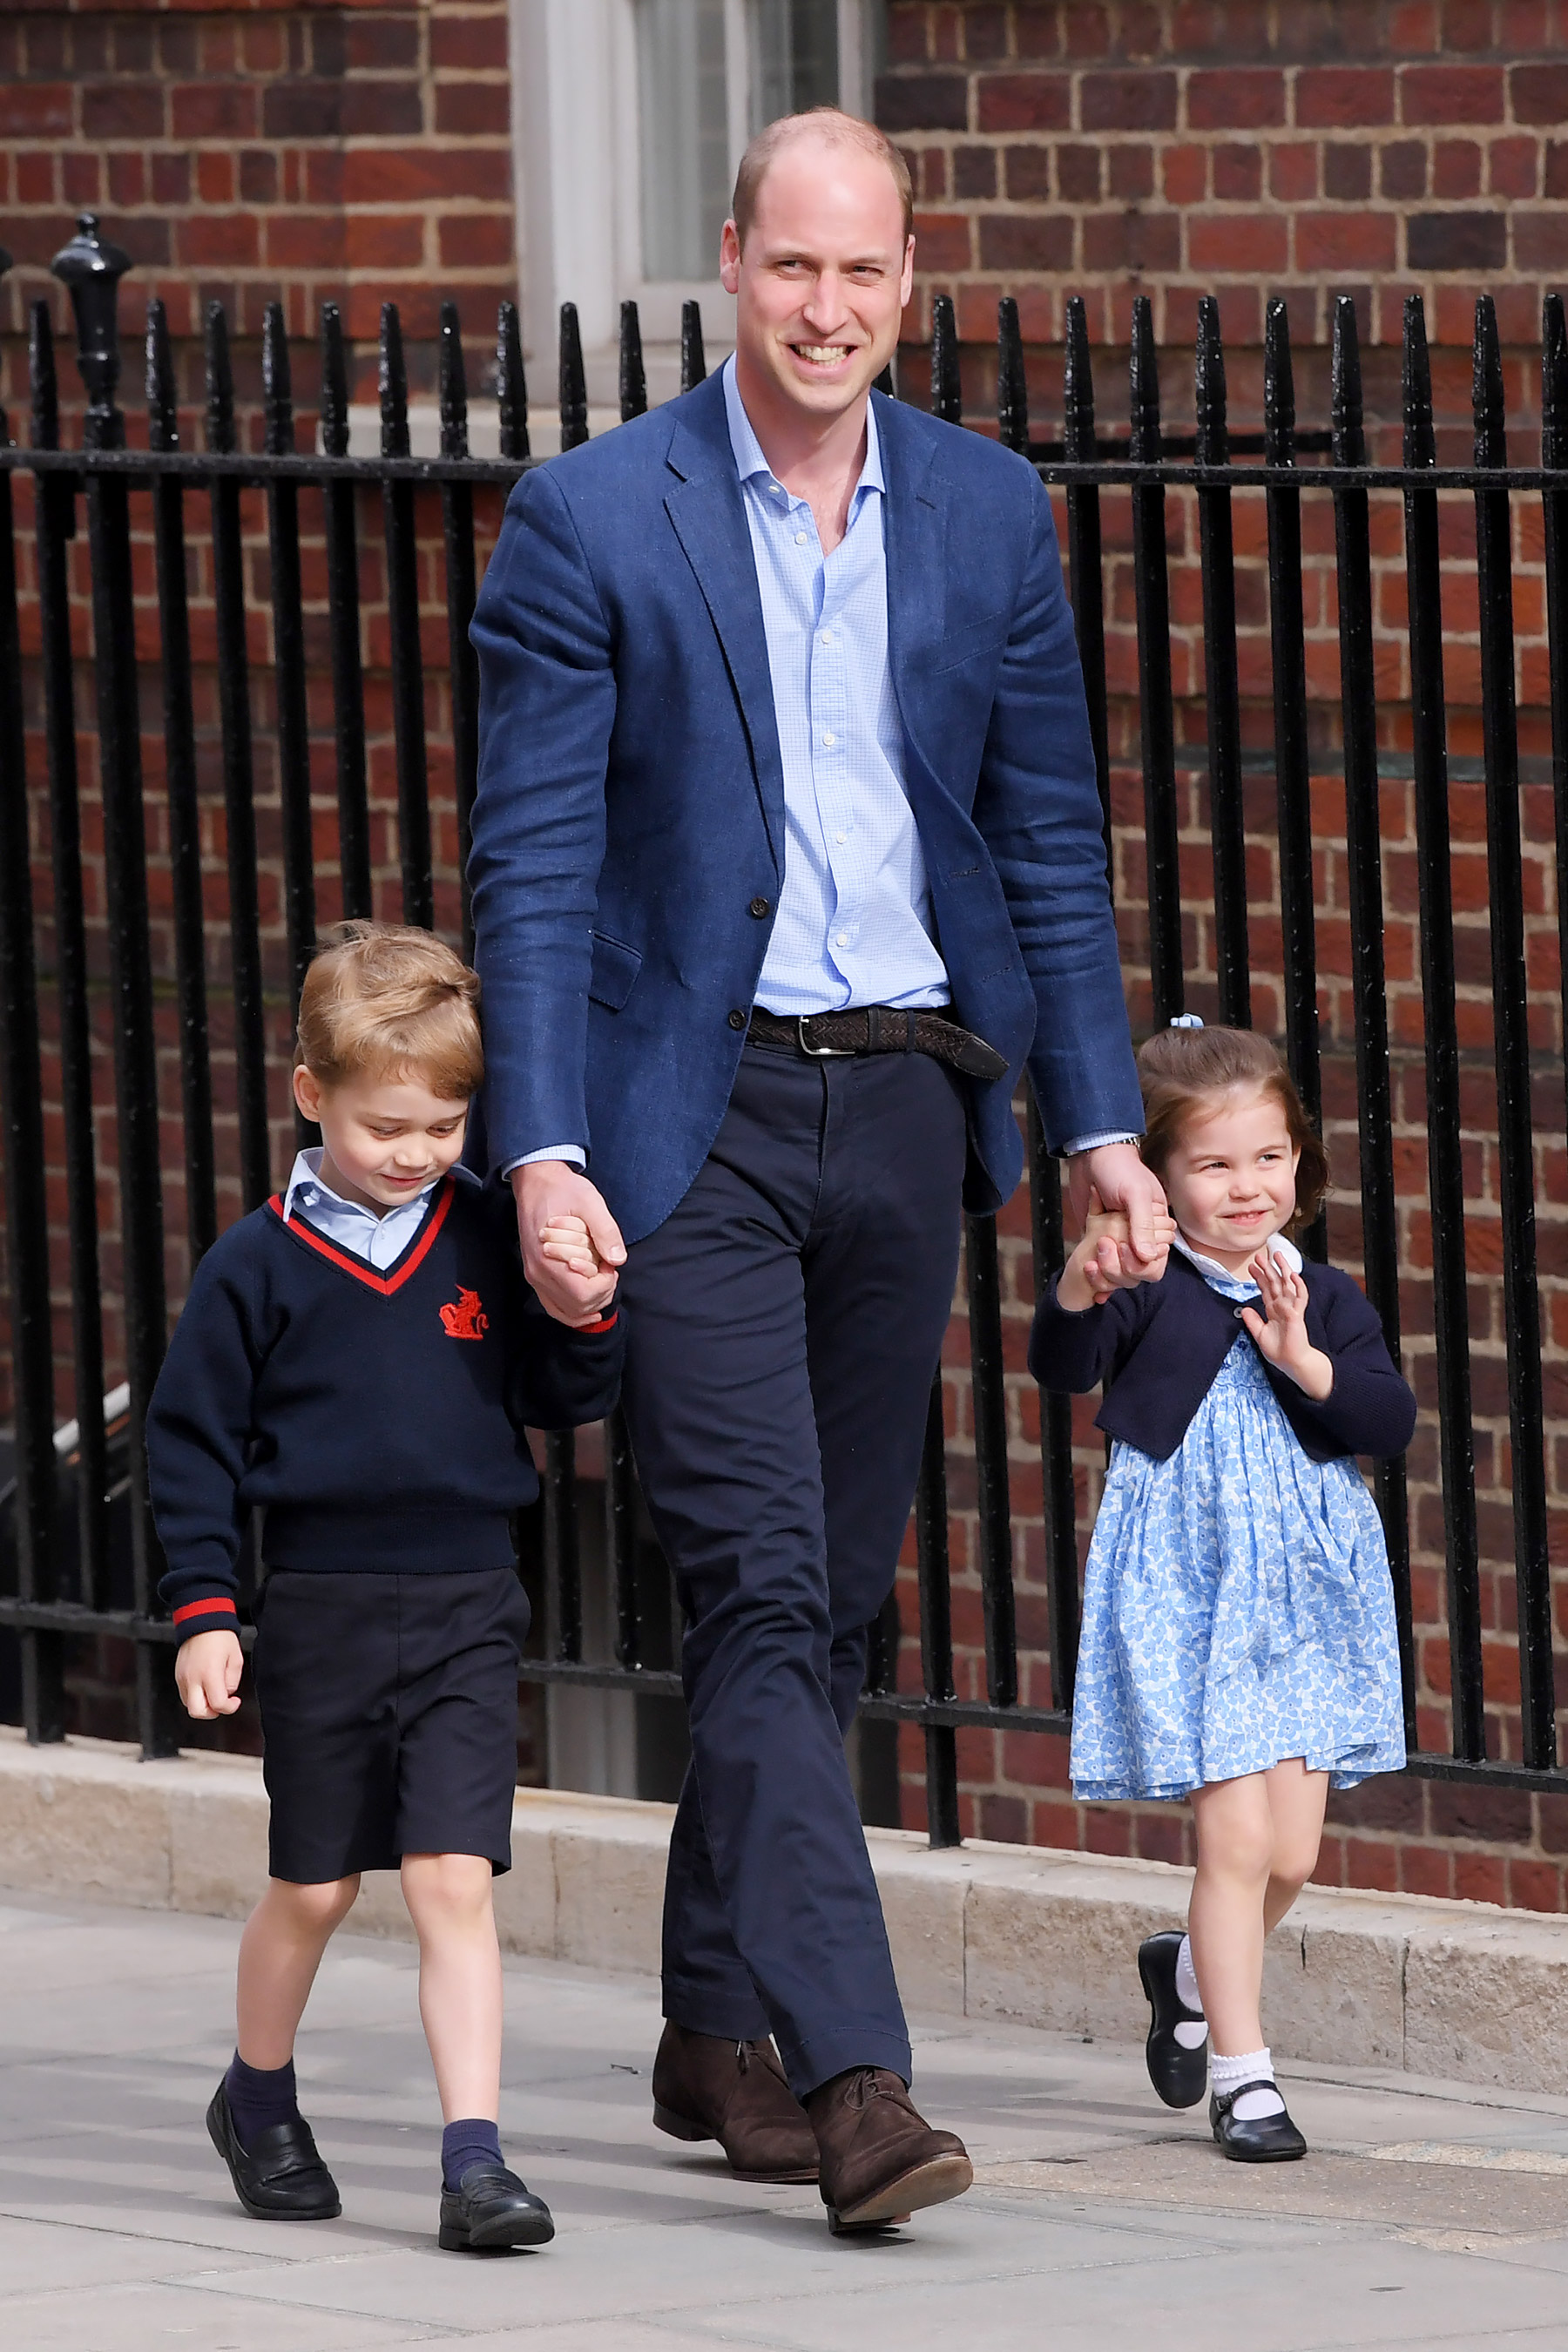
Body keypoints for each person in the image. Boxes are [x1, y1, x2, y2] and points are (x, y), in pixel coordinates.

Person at [469, 107, 1159, 2235]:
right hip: (695, 1126)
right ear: (732, 264)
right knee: (762, 1581)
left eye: (864, 274)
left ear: (908, 275)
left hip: (907, 1106)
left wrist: (1101, 1128)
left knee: (830, 1602)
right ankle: (852, 2080)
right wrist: (546, 1150)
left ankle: (704, 2019)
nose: (829, 309)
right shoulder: (592, 519)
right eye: (794, 269)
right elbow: (541, 860)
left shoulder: (989, 512)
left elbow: (1047, 839)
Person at [145, 923, 624, 2250]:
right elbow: (190, 1449)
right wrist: (203, 1609)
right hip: (321, 1608)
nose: (417, 1150)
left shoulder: (486, 1232)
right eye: (385, 1124)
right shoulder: (256, 1264)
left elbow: (560, 1394)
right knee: (315, 1887)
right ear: (312, 1096)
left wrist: (586, 1318)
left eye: (445, 1122)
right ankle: (258, 2100)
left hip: (472, 1600)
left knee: (452, 1880)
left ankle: (474, 2161)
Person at [1031, 1020, 1414, 2162]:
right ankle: (1246, 2082)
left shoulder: (1322, 1293)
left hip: (1306, 1592)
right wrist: (1076, 1278)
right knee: (1235, 1845)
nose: (1249, 1187)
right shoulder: (1148, 1286)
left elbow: (1386, 1421)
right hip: (1192, 1587)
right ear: (1154, 1177)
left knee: (1290, 1856)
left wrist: (1308, 1364)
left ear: (1301, 1160)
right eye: (1213, 1164)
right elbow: (1063, 1365)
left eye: (1270, 1158)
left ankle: (1188, 1973)